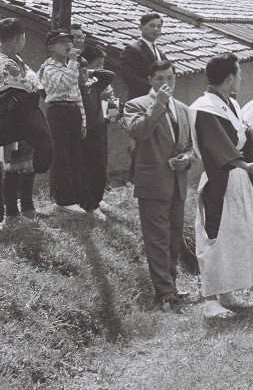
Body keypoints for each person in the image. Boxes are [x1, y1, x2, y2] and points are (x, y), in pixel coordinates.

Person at [189, 54, 253, 316]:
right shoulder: (204, 108)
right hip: (220, 177)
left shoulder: (231, 103)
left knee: (236, 234)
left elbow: (241, 138)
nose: (241, 79)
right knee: (215, 235)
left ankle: (227, 293)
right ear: (229, 78)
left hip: (238, 177)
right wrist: (245, 165)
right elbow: (217, 146)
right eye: (239, 74)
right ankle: (210, 299)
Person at [122, 60, 196, 309]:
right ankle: (164, 292)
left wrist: (187, 158)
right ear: (150, 80)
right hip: (153, 182)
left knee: (174, 238)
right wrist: (158, 105)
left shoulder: (183, 108)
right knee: (157, 239)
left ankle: (170, 285)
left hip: (177, 182)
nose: (166, 83)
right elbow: (138, 132)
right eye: (160, 79)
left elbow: (190, 146)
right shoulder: (136, 105)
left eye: (170, 78)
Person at [1, 18, 45, 225]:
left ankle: (27, 208)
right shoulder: (5, 63)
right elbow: (31, 85)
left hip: (21, 119)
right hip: (8, 120)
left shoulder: (16, 60)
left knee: (26, 163)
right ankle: (11, 214)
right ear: (19, 38)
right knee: (13, 165)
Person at [40, 29, 89, 214]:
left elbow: (76, 95)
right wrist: (74, 63)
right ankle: (63, 199)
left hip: (73, 111)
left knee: (76, 156)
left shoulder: (70, 66)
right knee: (62, 156)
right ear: (51, 47)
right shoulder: (48, 68)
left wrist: (83, 121)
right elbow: (64, 84)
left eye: (69, 40)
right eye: (62, 41)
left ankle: (76, 197)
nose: (68, 44)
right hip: (58, 111)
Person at [78, 44, 117, 221]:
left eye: (102, 64)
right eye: (98, 64)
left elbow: (112, 98)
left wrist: (114, 115)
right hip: (89, 127)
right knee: (90, 166)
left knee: (101, 164)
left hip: (102, 124)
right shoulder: (83, 83)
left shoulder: (100, 82)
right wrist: (88, 72)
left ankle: (97, 200)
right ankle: (89, 204)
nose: (101, 68)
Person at [119, 13, 168, 100]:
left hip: (160, 99)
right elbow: (129, 77)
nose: (156, 29)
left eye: (159, 26)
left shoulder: (160, 53)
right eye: (152, 26)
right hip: (140, 100)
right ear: (141, 27)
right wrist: (154, 87)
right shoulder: (132, 50)